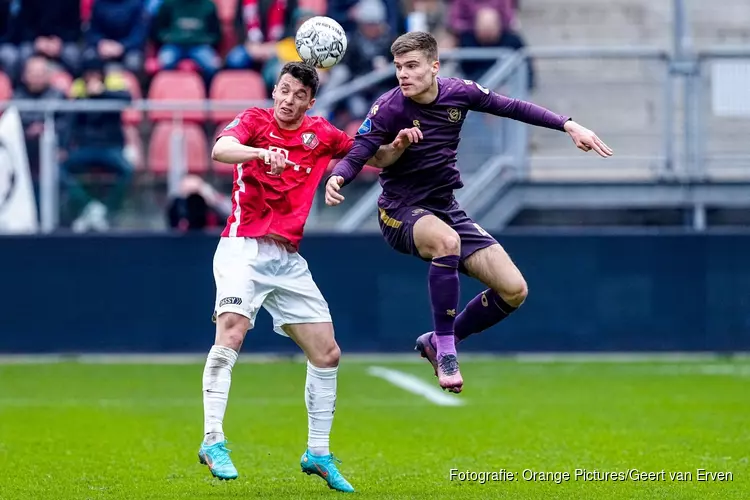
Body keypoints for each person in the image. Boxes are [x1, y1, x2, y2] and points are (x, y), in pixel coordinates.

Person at [324, 32, 613, 394]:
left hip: (445, 208)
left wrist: (569, 124)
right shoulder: (389, 107)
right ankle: (447, 351)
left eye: (412, 66)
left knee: (513, 290)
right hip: (399, 212)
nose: (403, 75)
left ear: (434, 67)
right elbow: (361, 149)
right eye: (398, 67)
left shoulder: (459, 93)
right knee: (447, 241)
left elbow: (512, 107)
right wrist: (339, 176)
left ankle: (438, 340)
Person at [201, 61, 418, 492]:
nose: (287, 100)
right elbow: (220, 150)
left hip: (287, 258)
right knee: (232, 332)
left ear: (310, 102)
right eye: (283, 91)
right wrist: (261, 153)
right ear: (275, 90)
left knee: (328, 353)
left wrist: (398, 144)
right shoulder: (254, 121)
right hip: (243, 246)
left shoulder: (320, 133)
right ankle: (213, 440)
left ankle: (317, 453)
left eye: (298, 96)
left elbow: (372, 156)